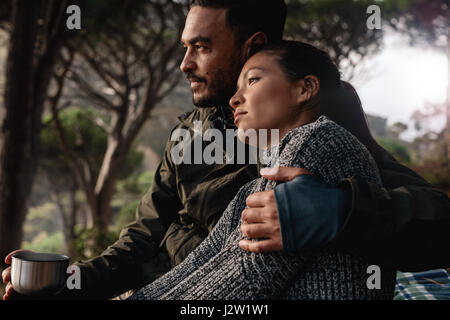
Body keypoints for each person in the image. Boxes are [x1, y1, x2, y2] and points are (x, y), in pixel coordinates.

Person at [2, 0, 449, 300]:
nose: (184, 64)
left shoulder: (318, 124)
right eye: (184, 47)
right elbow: (142, 240)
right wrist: (69, 283)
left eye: (201, 47)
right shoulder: (191, 130)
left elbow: (438, 221)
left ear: (252, 45)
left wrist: (343, 210)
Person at [129, 40, 395, 300]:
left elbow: (248, 276)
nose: (234, 99)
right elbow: (199, 264)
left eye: (253, 80)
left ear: (305, 89)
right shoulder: (260, 182)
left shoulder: (315, 142)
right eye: (236, 88)